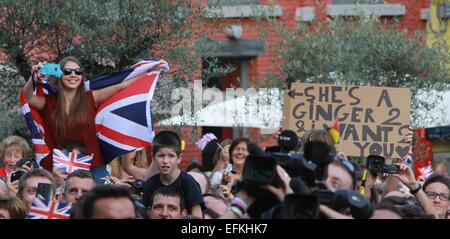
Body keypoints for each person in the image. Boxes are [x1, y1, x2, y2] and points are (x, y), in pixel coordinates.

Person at [23, 56, 148, 178]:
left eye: (78, 72)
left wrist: (148, 70)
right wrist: (34, 76)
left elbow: (121, 85)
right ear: (59, 75)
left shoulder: (90, 98)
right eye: (67, 72)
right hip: (59, 167)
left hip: (92, 165)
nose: (73, 75)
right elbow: (27, 97)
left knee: (99, 197)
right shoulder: (49, 102)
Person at [142, 131, 204, 218]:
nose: (165, 161)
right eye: (161, 155)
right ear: (153, 157)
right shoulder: (150, 184)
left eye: (171, 156)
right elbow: (147, 214)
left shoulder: (188, 183)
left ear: (179, 158)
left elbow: (197, 217)